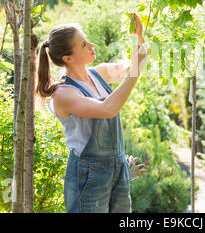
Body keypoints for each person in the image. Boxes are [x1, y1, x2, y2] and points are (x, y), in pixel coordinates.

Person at [36, 14, 149, 213]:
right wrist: (135, 71)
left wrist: (139, 36)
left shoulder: (99, 73)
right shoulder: (64, 93)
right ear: (67, 59)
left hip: (117, 168)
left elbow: (134, 64)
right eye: (83, 45)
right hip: (89, 174)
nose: (91, 45)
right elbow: (107, 109)